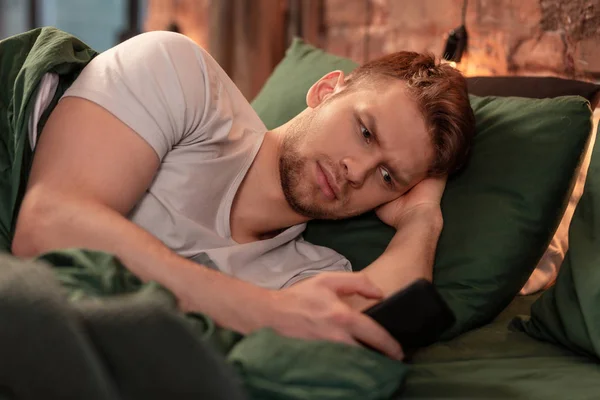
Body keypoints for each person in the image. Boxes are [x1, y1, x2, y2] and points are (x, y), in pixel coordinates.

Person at [11, 31, 475, 360]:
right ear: (327, 89)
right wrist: (266, 312)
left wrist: (421, 217)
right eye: (365, 132)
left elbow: (375, 333)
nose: (357, 172)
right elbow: (48, 224)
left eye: (389, 177)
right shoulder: (182, 76)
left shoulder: (313, 272)